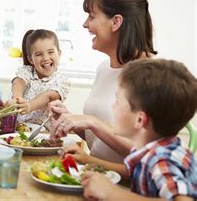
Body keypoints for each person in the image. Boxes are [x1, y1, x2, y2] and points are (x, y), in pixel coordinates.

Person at [49, 0, 157, 164]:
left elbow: (147, 155)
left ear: (116, 22)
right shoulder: (104, 68)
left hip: (123, 188)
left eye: (91, 16)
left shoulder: (152, 76)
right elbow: (99, 140)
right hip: (95, 178)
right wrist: (72, 120)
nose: (85, 24)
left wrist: (92, 122)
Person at [81, 59, 197, 200]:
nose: (112, 106)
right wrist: (90, 162)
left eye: (118, 101)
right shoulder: (150, 149)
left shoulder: (162, 160)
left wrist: (111, 193)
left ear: (140, 120)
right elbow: (133, 172)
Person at [9, 29, 70, 128]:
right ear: (30, 59)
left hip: (44, 132)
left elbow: (48, 96)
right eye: (39, 54)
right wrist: (17, 99)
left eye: (51, 52)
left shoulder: (62, 81)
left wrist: (29, 106)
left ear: (59, 54)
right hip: (18, 129)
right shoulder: (27, 71)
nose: (46, 58)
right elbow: (18, 82)